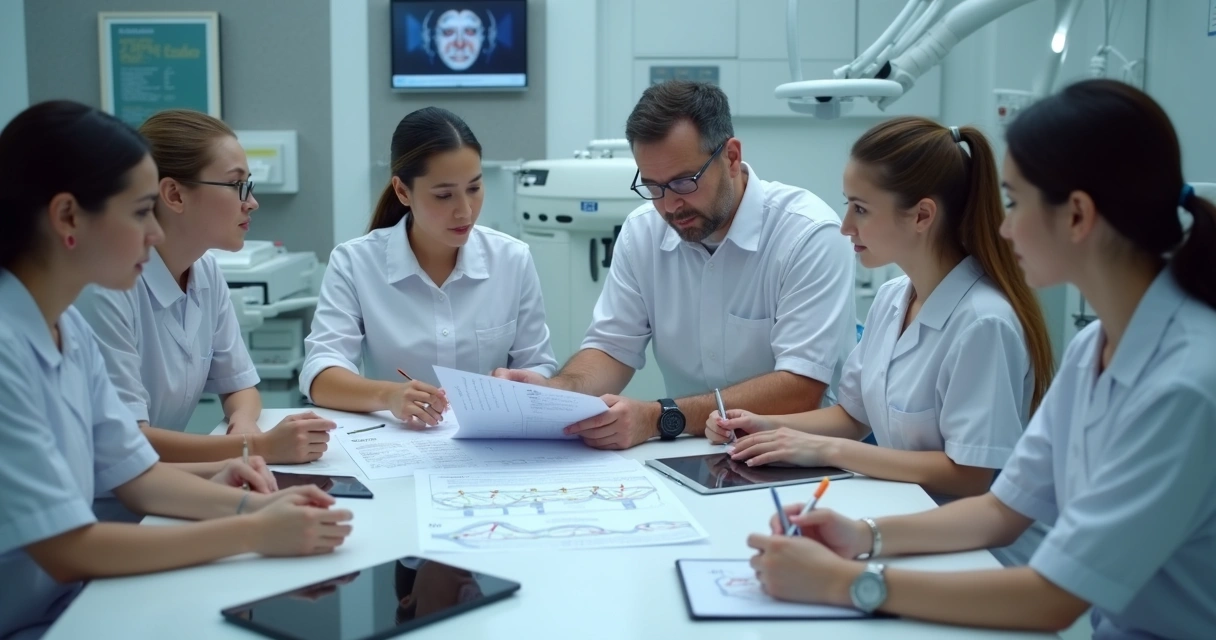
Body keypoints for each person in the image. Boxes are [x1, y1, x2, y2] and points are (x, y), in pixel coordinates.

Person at [746, 79, 1216, 638]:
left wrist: (843, 584)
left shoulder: (1185, 383)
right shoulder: (1098, 345)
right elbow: (1003, 509)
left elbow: (1052, 600)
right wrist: (862, 536)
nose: (1002, 225)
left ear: (1077, 216)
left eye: (1015, 202)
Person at [0, 101, 354, 640]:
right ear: (68, 217)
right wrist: (252, 528)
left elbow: (136, 475)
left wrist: (250, 500)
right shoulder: (8, 346)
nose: (156, 234)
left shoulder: (66, 329)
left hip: (80, 599)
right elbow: (70, 549)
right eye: (140, 212)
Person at [707, 117, 1054, 565]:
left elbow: (969, 475)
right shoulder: (894, 297)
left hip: (977, 554)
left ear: (922, 216)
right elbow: (853, 416)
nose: (846, 226)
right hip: (903, 524)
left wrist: (825, 450)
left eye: (861, 209)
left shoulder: (984, 323)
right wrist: (762, 425)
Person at [494, 80, 856, 450]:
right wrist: (555, 392)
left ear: (731, 157)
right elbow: (611, 349)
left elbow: (800, 388)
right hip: (694, 451)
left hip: (801, 456)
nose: (668, 206)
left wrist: (659, 417)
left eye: (684, 182)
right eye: (653, 187)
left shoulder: (807, 235)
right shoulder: (642, 233)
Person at [74, 110, 335, 470]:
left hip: (158, 483)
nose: (252, 202)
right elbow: (129, 441)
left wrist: (242, 428)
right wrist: (254, 447)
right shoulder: (107, 288)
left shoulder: (205, 270)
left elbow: (240, 387)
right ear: (174, 195)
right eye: (235, 185)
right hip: (104, 503)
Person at [301, 107, 556, 425]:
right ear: (402, 191)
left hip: (492, 447)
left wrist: (520, 381)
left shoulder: (512, 259)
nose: (465, 211)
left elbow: (539, 366)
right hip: (399, 445)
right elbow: (320, 374)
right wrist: (388, 396)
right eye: (444, 195)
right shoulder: (354, 263)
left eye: (474, 189)